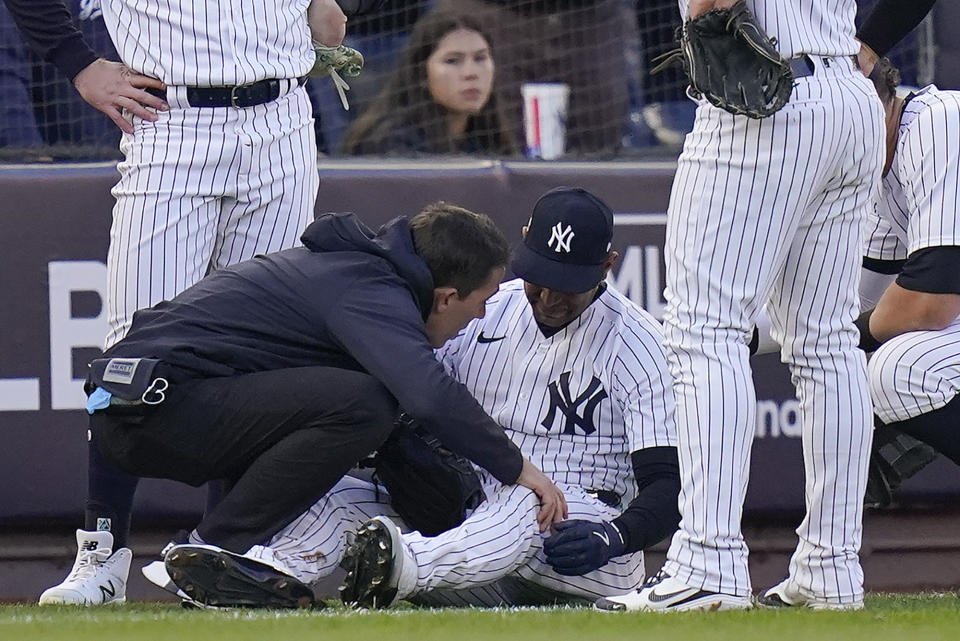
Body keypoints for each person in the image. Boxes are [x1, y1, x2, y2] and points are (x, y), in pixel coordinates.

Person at [156, 187, 681, 609]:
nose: (546, 298)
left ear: (608, 264)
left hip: (581, 547)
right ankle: (259, 579)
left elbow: (668, 487)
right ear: (525, 244)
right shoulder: (489, 311)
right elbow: (419, 401)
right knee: (343, 496)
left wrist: (616, 536)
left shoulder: (639, 344)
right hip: (467, 536)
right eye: (537, 280)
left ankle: (397, 567)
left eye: (565, 286)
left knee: (526, 504)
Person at [34, 0, 382, 607]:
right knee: (134, 351)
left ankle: (224, 554)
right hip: (169, 117)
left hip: (282, 119)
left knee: (263, 352)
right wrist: (79, 64)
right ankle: (103, 553)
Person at [85, 203, 568, 609]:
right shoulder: (371, 289)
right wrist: (516, 467)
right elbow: (429, 395)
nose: (482, 314)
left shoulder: (359, 273)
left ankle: (227, 559)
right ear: (445, 297)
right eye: (480, 301)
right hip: (157, 408)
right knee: (366, 404)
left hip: (146, 405)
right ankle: (212, 551)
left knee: (353, 399)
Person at [596, 0, 884, 613]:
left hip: (766, 94)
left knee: (705, 332)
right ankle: (832, 568)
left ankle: (708, 563)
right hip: (850, 92)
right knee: (828, 343)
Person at [841, 60, 960, 508]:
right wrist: (739, 334)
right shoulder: (879, 167)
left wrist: (836, 340)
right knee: (863, 368)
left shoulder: (938, 123)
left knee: (901, 370)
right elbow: (852, 302)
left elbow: (930, 304)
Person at [339, 11, 517, 156]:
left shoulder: (489, 138)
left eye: (480, 58)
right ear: (422, 73)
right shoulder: (392, 142)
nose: (471, 73)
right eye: (453, 61)